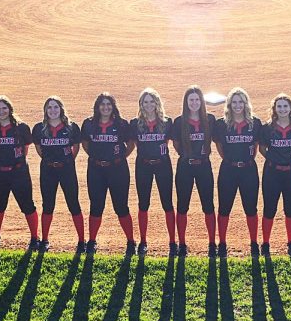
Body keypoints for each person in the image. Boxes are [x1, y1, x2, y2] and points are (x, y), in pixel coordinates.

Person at [81, 92, 137, 254]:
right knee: (96, 206)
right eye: (102, 104)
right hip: (96, 169)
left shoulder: (121, 124)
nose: (105, 108)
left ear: (113, 107)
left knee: (121, 206)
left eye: (109, 104)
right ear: (97, 107)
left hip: (117, 169)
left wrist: (120, 157)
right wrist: (96, 156)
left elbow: (131, 144)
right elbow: (85, 144)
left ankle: (131, 242)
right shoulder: (89, 124)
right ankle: (91, 241)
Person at [0, 95, 40, 250]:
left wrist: (16, 163)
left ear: (10, 109)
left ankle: (35, 238)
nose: (1, 111)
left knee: (27, 204)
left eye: (4, 108)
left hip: (19, 172)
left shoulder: (21, 127)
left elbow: (25, 149)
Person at [32, 96, 86, 252]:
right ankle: (45, 240)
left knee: (73, 203)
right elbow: (39, 149)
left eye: (56, 107)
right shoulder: (39, 128)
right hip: (48, 169)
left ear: (61, 109)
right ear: (45, 110)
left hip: (67, 169)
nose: (53, 110)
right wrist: (51, 161)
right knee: (48, 204)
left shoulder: (71, 127)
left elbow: (76, 147)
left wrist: (66, 160)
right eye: (49, 107)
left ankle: (82, 241)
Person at [214, 87, 261, 256]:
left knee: (251, 208)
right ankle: (222, 243)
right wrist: (229, 159)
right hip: (228, 169)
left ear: (246, 103)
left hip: (248, 169)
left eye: (241, 101)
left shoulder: (255, 123)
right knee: (224, 208)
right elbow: (219, 145)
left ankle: (254, 243)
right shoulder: (221, 124)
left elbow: (255, 146)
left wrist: (246, 159)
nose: (237, 105)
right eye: (234, 102)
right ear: (229, 104)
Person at [258, 93, 291, 255]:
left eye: (285, 106)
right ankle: (265, 243)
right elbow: (262, 149)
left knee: (290, 208)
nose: (283, 109)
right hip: (272, 172)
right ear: (274, 109)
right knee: (269, 208)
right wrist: (275, 159)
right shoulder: (267, 128)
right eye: (279, 106)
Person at [172, 85, 217, 256]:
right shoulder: (179, 121)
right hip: (185, 166)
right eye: (191, 99)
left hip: (204, 166)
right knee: (182, 206)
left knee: (208, 205)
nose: (194, 102)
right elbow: (176, 145)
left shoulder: (210, 119)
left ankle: (212, 243)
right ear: (186, 102)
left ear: (202, 101)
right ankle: (182, 243)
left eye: (197, 99)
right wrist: (187, 155)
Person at [132, 88, 176, 254]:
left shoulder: (167, 122)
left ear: (157, 103)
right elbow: (135, 143)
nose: (149, 105)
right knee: (143, 203)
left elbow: (174, 142)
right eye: (145, 102)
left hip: (163, 164)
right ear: (141, 105)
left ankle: (172, 242)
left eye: (152, 101)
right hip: (143, 165)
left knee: (167, 203)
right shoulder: (135, 124)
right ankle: (143, 241)